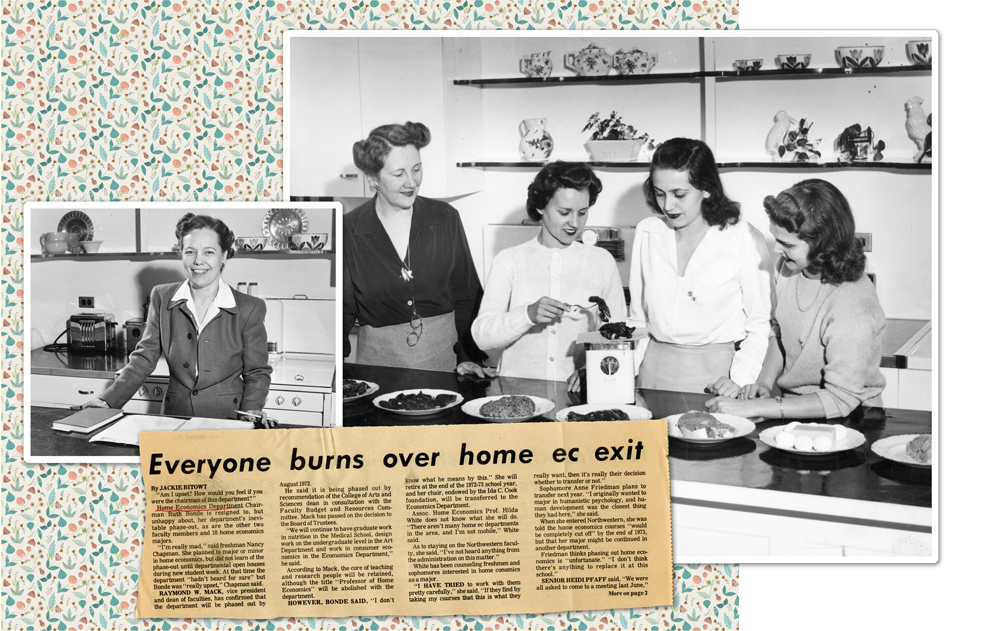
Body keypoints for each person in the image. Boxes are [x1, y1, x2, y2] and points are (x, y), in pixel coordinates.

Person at [707, 179, 886, 419]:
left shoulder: (851, 301)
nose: (777, 251)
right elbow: (779, 334)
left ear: (823, 244)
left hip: (855, 417)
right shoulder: (788, 268)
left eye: (786, 244)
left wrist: (757, 408)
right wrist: (763, 384)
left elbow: (840, 399)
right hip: (793, 408)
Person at [81, 214, 274, 425]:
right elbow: (144, 358)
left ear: (224, 255)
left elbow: (257, 372)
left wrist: (251, 410)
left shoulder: (249, 308)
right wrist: (107, 402)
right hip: (175, 416)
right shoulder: (162, 297)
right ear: (181, 253)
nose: (198, 261)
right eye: (190, 252)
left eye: (209, 252)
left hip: (229, 418)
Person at [343, 122, 493, 376]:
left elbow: (468, 294)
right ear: (372, 178)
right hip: (379, 367)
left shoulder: (444, 217)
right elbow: (343, 309)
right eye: (399, 173)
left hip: (446, 360)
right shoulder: (350, 228)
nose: (411, 182)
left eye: (416, 169)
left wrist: (469, 357)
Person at [630, 138, 771, 395]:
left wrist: (740, 380)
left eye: (679, 194)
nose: (667, 206)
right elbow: (638, 318)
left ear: (706, 189)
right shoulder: (648, 231)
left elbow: (760, 324)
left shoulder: (743, 238)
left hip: (717, 377)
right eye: (660, 193)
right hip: (652, 372)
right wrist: (625, 373)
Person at [472, 162, 626, 388]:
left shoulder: (601, 261)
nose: (575, 223)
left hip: (577, 395)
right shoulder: (509, 261)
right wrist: (527, 315)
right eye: (564, 212)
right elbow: (482, 336)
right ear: (541, 206)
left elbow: (619, 335)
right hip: (518, 395)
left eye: (582, 213)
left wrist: (590, 371)